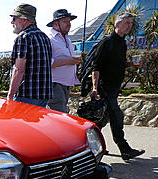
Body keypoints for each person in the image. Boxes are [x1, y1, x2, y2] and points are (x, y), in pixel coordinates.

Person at [90, 12, 145, 160]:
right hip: (105, 87)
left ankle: (91, 147)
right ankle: (125, 149)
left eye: (131, 23)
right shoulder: (107, 42)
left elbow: (118, 65)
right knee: (117, 117)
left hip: (114, 88)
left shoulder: (122, 43)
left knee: (101, 120)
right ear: (117, 24)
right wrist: (95, 88)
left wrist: (131, 64)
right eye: (127, 22)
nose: (129, 26)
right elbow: (96, 67)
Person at [7, 4, 52, 108]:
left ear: (24, 20)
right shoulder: (44, 37)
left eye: (14, 18)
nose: (12, 22)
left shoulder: (23, 37)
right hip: (43, 94)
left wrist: (10, 95)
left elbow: (19, 69)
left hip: (26, 95)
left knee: (19, 124)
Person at [47, 9, 81, 113]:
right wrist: (68, 61)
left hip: (65, 85)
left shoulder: (66, 38)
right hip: (54, 84)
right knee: (59, 117)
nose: (69, 24)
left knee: (61, 116)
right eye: (66, 22)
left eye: (69, 21)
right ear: (56, 24)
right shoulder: (49, 39)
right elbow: (46, 63)